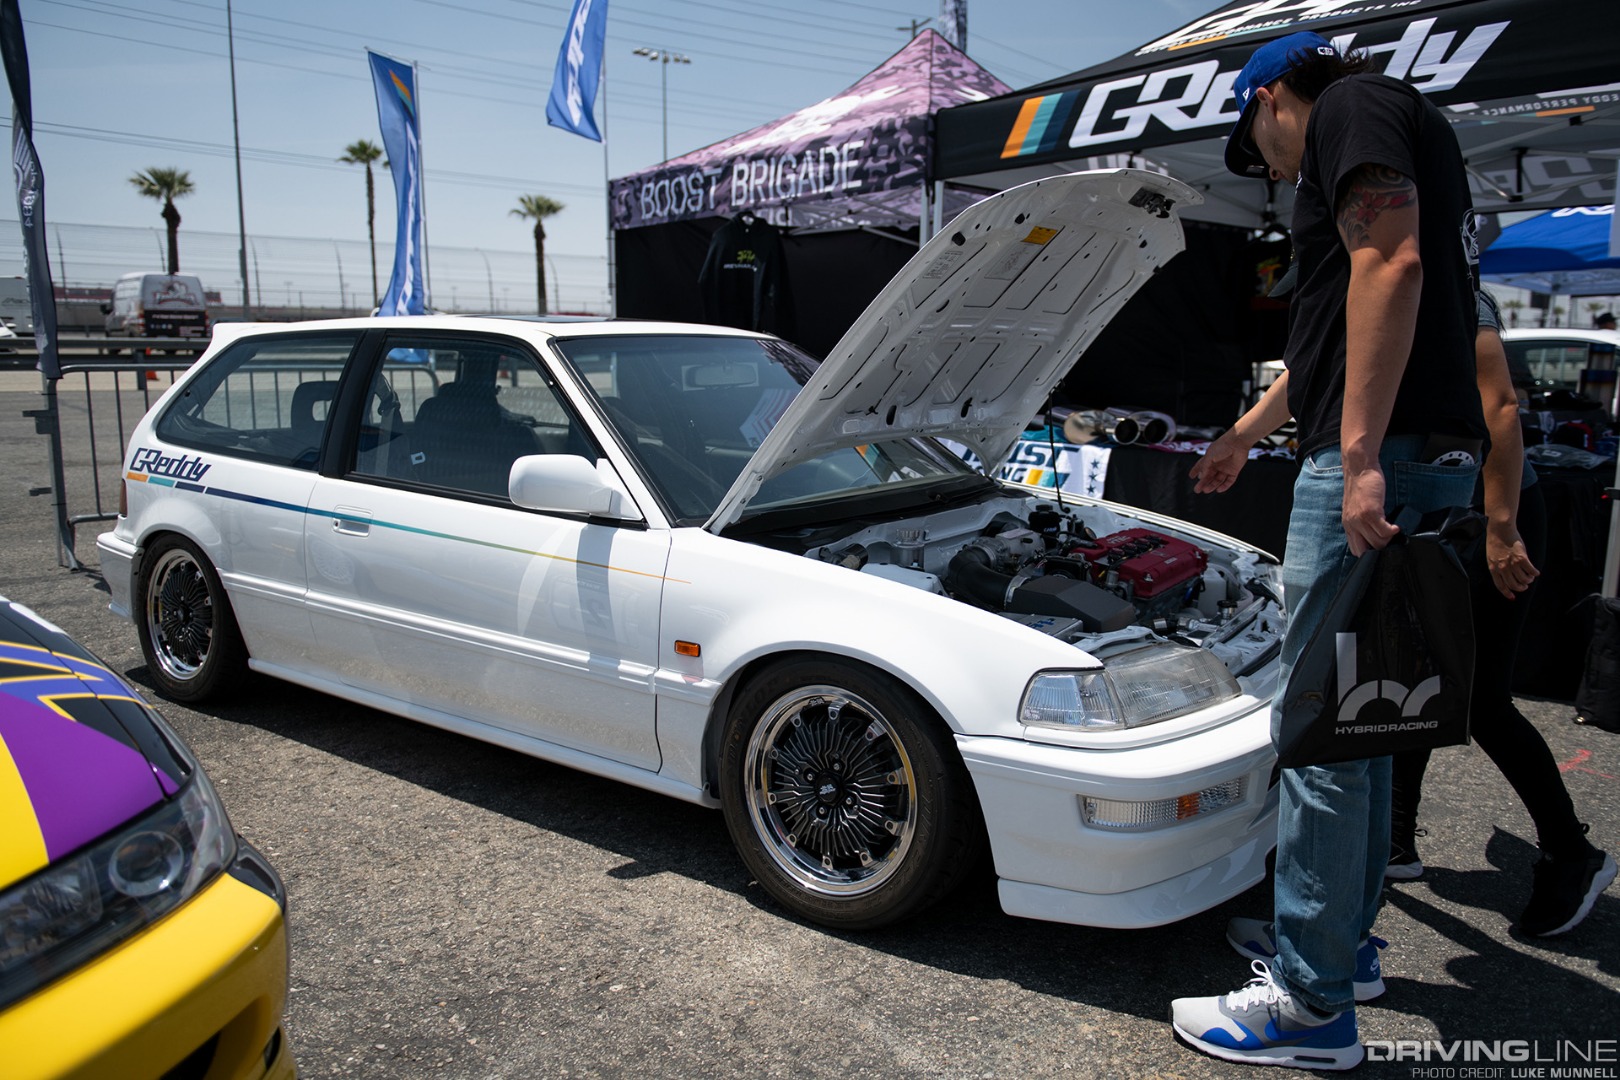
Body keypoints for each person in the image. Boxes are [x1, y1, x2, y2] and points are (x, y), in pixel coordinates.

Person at [1170, 31, 1488, 1070]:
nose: (1270, 170)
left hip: (1381, 456)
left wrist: (1355, 459)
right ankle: (1338, 948)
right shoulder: (1409, 119)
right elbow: (1333, 332)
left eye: (1257, 145)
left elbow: (1389, 261)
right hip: (1427, 451)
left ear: (1270, 97)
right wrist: (1243, 437)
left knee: (1314, 728)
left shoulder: (1351, 109)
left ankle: (1309, 1006)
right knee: (1365, 720)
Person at [1389, 290, 1615, 932]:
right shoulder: (1358, 278)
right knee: (1415, 678)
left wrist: (1501, 525)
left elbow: (1501, 406)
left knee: (1481, 699)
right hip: (1434, 506)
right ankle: (1395, 840)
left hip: (1491, 511)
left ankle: (1573, 854)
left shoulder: (1454, 287)